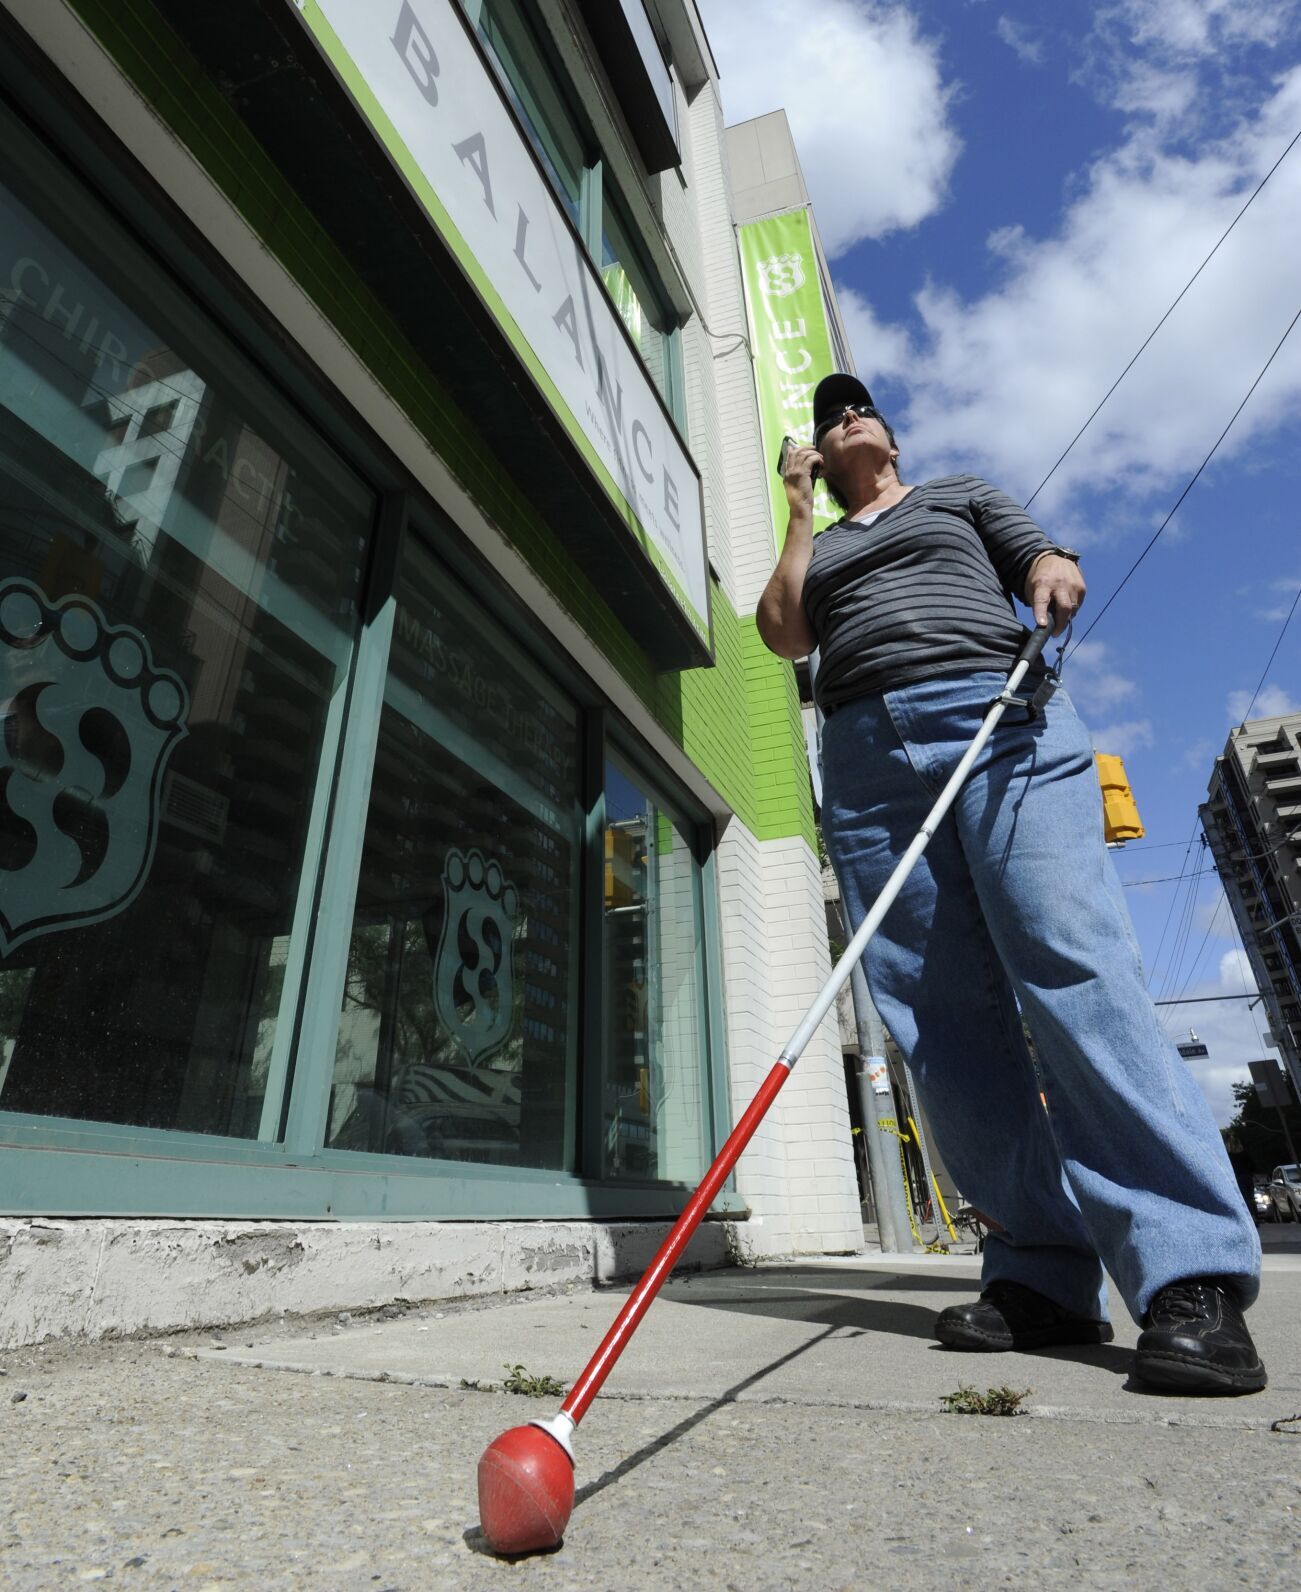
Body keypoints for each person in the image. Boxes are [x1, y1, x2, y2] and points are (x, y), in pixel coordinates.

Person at [757, 373, 1265, 1396]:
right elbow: (783, 632)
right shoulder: (822, 539)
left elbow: (1036, 555)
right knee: (937, 1024)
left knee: (1069, 967)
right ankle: (1039, 1272)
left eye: (856, 406)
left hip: (996, 721)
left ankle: (1187, 1270)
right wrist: (798, 509)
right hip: (863, 760)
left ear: (889, 435)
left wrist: (1052, 567)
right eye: (826, 415)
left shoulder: (956, 494)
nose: (842, 414)